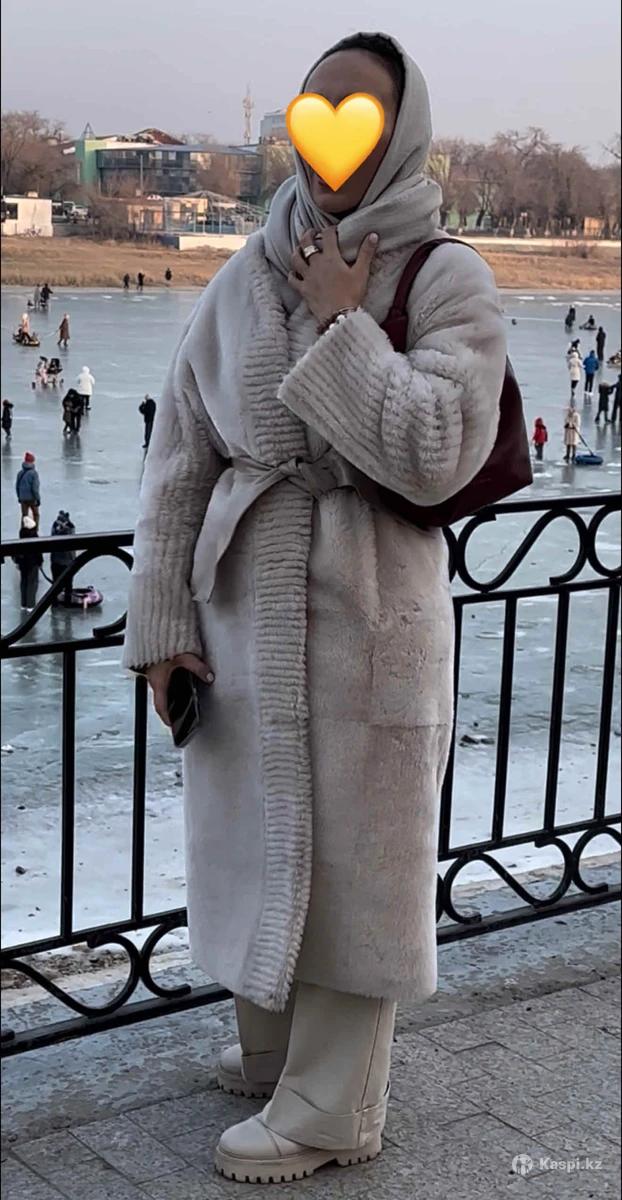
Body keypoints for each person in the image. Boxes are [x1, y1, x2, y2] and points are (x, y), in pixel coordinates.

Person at [122, 32, 508, 1184]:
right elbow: (181, 454)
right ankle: (276, 1050)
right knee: (252, 830)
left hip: (370, 607)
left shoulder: (444, 276)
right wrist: (164, 628)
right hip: (243, 606)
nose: (331, 134)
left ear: (402, 128)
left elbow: (439, 448)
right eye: (315, 108)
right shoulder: (247, 269)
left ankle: (337, 1108)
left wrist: (345, 324)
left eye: (360, 112)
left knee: (358, 858)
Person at [12, 515, 43, 611]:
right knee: (32, 583)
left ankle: (24, 603)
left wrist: (17, 561)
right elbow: (38, 551)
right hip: (32, 563)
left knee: (24, 582)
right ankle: (31, 604)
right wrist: (40, 561)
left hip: (23, 563)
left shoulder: (22, 534)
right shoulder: (34, 536)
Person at [50, 510, 76, 605]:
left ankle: (61, 602)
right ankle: (60, 602)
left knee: (64, 585)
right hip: (64, 562)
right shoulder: (69, 530)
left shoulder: (66, 531)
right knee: (64, 584)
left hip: (62, 562)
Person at [15, 452, 41, 525]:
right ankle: (35, 529)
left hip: (23, 498)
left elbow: (17, 486)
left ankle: (23, 529)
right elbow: (35, 488)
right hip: (32, 498)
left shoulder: (20, 473)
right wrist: (38, 499)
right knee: (36, 514)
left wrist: (19, 497)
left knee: (25, 516)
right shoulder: (34, 473)